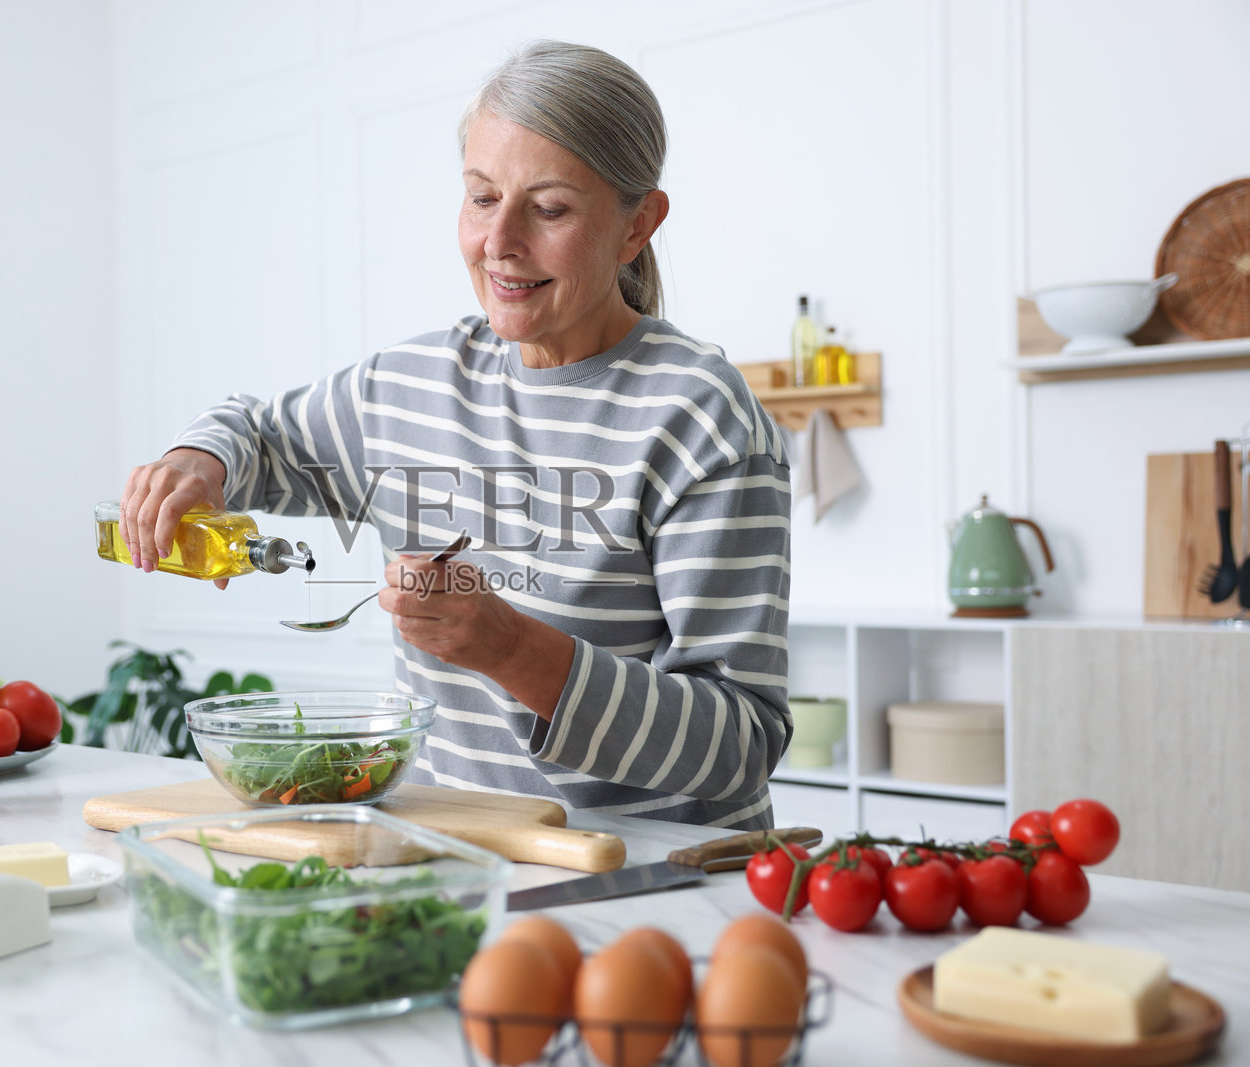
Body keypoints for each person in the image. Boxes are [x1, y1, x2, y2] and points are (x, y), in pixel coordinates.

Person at [119, 40, 792, 829]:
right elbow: (255, 433)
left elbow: (740, 740)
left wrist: (513, 650)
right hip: (465, 860)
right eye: (481, 197)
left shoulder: (698, 414)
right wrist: (196, 462)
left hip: (661, 879)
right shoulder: (410, 387)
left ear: (637, 224)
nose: (499, 241)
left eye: (548, 209)